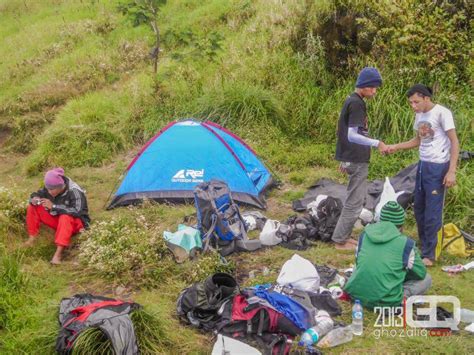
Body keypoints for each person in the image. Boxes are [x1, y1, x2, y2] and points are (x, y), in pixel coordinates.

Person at [387, 84, 459, 266]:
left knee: (433, 212)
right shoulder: (419, 115)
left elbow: (454, 141)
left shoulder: (442, 113)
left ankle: (431, 255)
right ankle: (423, 246)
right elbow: (418, 140)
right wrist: (396, 147)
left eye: (416, 102)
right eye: (411, 102)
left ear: (426, 98)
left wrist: (451, 171)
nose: (413, 106)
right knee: (419, 207)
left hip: (438, 167)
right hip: (422, 166)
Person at [333, 67, 388, 250]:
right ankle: (340, 241)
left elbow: (340, 129)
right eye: (372, 87)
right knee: (355, 202)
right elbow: (352, 135)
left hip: (351, 157)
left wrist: (343, 158)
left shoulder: (352, 100)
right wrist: (377, 143)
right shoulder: (357, 104)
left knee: (354, 199)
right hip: (356, 160)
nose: (374, 91)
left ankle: (343, 236)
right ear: (363, 86)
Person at [344, 201, 431, 308]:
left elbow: (359, 263)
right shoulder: (406, 244)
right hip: (386, 302)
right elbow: (421, 273)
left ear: (380, 219)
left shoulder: (364, 235)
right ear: (401, 225)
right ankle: (403, 297)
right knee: (427, 279)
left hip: (356, 295)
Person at [25, 167, 90, 264]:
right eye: (47, 188)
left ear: (60, 186)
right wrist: (35, 198)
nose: (49, 191)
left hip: (78, 225)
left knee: (65, 216)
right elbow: (37, 193)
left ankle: (58, 254)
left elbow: (77, 211)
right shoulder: (50, 187)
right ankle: (32, 239)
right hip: (59, 220)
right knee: (33, 206)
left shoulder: (75, 191)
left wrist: (54, 206)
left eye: (51, 189)